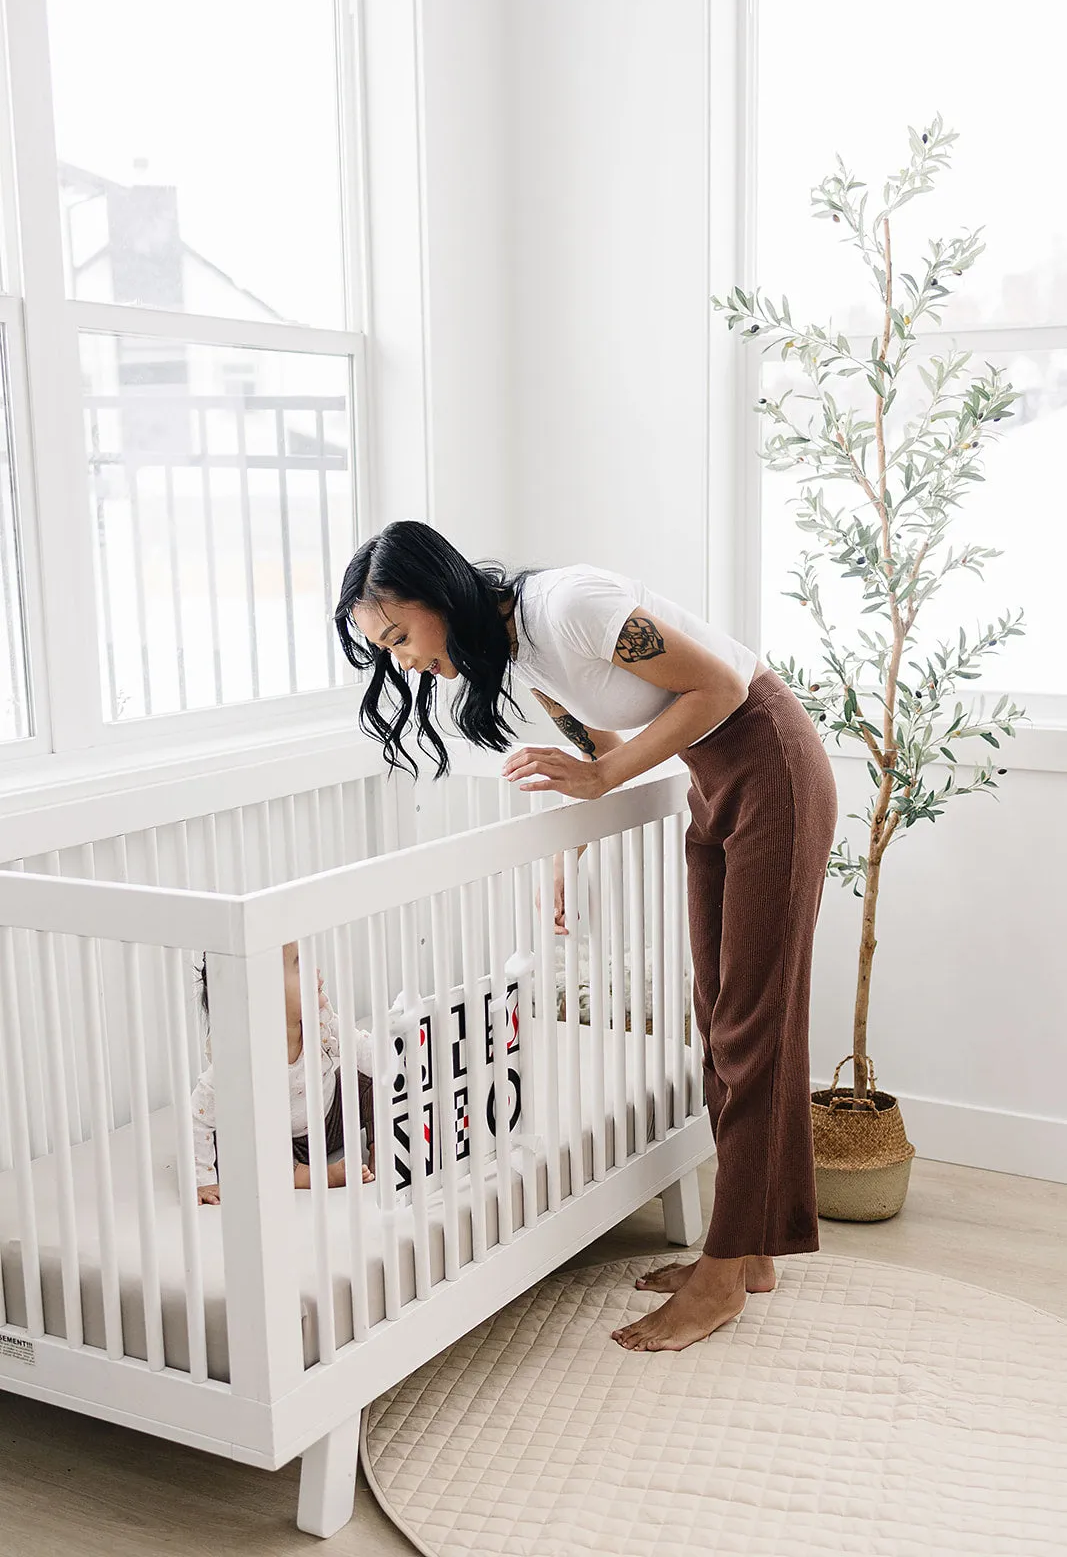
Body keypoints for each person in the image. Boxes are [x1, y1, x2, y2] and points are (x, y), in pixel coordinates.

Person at [334, 520, 837, 1352]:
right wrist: (571, 841)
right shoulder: (521, 648)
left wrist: (605, 776)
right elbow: (598, 747)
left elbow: (719, 688)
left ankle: (720, 1274)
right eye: (380, 650)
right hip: (717, 786)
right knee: (719, 1020)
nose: (399, 659)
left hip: (769, 761)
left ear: (440, 593)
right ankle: (748, 1252)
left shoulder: (568, 605)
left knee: (753, 1028)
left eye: (397, 635)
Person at [192, 941, 375, 1203]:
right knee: (233, 1140)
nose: (317, 971)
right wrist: (203, 1182)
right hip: (278, 1146)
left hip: (330, 1122)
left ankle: (380, 1146)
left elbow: (366, 1057)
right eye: (301, 966)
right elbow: (199, 1115)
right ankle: (317, 1177)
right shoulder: (240, 1060)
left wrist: (385, 1056)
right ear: (265, 995)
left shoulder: (321, 1022)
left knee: (367, 1078)